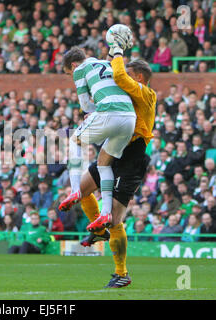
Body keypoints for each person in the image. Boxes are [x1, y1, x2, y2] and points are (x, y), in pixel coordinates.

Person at [59, 36, 156, 288]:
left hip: (132, 156)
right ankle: (98, 230)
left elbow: (119, 76)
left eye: (124, 74)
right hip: (113, 149)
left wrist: (116, 52)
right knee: (81, 190)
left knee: (115, 220)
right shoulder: (122, 94)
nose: (117, 77)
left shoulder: (146, 94)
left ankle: (122, 273)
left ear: (139, 78)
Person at [60, 42, 136, 231]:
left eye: (69, 74)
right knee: (103, 162)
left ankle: (76, 190)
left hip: (109, 113)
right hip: (129, 118)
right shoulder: (106, 63)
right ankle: (105, 213)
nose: (72, 76)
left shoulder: (80, 70)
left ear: (73, 66)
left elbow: (85, 105)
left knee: (74, 141)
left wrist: (93, 111)